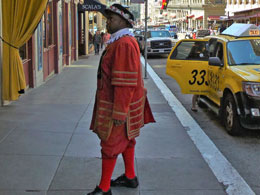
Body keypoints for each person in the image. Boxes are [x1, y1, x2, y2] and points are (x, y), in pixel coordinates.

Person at [87, 4, 155, 195]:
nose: (108, 22)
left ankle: (104, 187)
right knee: (128, 139)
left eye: (112, 19)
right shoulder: (122, 41)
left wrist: (119, 111)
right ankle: (130, 177)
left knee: (109, 144)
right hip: (126, 101)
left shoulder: (123, 43)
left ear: (124, 22)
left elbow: (124, 81)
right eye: (108, 18)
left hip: (118, 103)